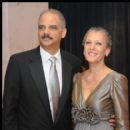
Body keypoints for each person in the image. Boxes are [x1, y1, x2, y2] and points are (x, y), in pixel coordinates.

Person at [2, 9, 116, 130]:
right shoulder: (19, 62)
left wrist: (102, 117)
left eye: (52, 27)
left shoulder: (74, 63)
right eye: (41, 27)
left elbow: (78, 104)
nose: (45, 32)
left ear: (63, 32)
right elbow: (8, 111)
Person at [72, 27, 129, 130]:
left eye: (98, 43)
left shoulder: (116, 80)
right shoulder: (76, 78)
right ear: (84, 48)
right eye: (88, 42)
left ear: (107, 50)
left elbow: (123, 124)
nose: (92, 47)